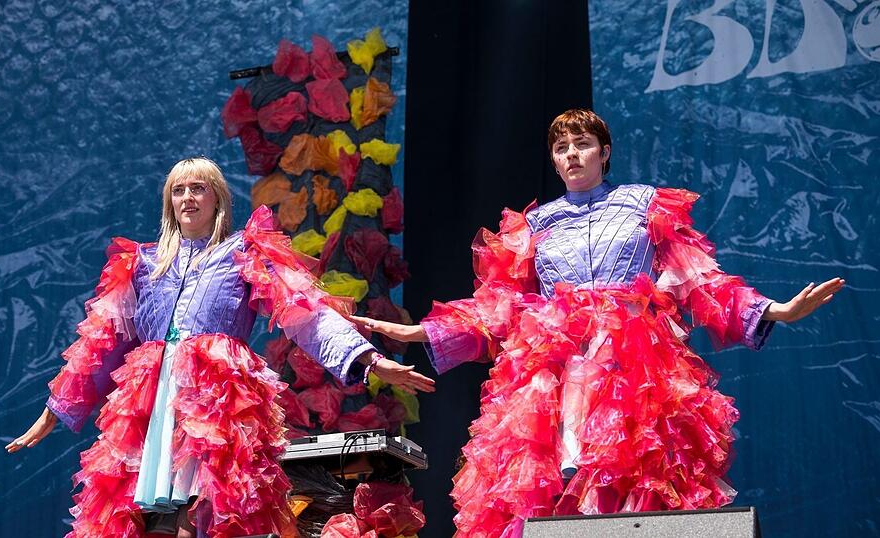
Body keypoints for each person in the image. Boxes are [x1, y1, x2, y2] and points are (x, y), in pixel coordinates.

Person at [353, 109, 843, 537]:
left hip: (634, 356)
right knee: (538, 482)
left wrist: (773, 310)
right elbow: (499, 304)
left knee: (641, 469)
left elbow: (698, 279)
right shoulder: (536, 225)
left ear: (604, 152)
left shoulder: (645, 204)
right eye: (561, 147)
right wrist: (424, 331)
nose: (571, 155)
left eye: (582, 144)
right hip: (554, 362)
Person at [6, 157, 435, 538]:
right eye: (178, 190)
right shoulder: (142, 265)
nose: (187, 198)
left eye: (198, 188)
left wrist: (368, 359)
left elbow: (305, 313)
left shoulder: (243, 253)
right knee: (140, 512)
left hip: (216, 398)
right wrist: (54, 412)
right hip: (152, 401)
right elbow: (100, 342)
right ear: (168, 202)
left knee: (207, 509)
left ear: (217, 200)